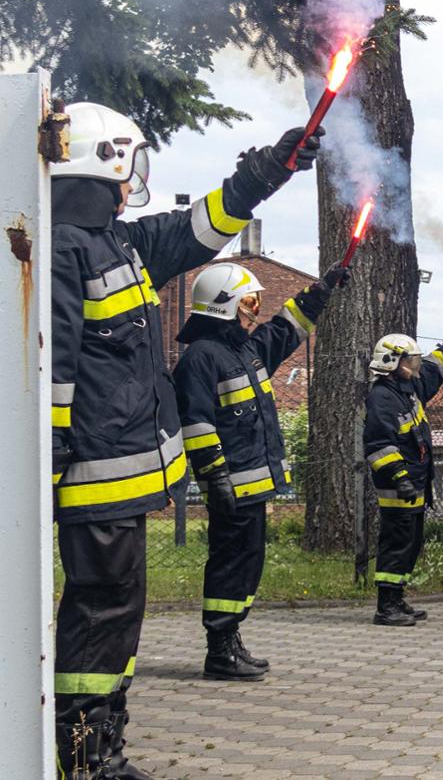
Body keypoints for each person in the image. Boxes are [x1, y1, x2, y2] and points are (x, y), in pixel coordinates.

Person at [49, 101, 318, 777]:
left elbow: (198, 228)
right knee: (101, 611)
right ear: (105, 160)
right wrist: (47, 457)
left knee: (118, 613)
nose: (133, 181)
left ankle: (104, 746)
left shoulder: (117, 244)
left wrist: (269, 170)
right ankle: (84, 757)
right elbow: (52, 367)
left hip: (121, 480)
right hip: (94, 477)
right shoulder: (62, 248)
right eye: (130, 165)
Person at [175, 261, 348, 680]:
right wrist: (215, 478)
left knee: (248, 564)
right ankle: (219, 649)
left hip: (253, 487)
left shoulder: (245, 351)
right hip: (231, 487)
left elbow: (285, 328)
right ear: (224, 305)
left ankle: (230, 638)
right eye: (249, 302)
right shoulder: (201, 358)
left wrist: (321, 290)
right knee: (230, 564)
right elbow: (196, 424)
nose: (255, 310)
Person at [363, 323, 443, 626]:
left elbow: (435, 367)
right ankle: (386, 607)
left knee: (410, 544)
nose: (415, 366)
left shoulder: (408, 390)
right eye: (410, 361)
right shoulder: (382, 398)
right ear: (392, 362)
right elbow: (379, 445)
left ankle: (397, 598)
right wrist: (400, 478)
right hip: (398, 488)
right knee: (396, 544)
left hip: (414, 484)